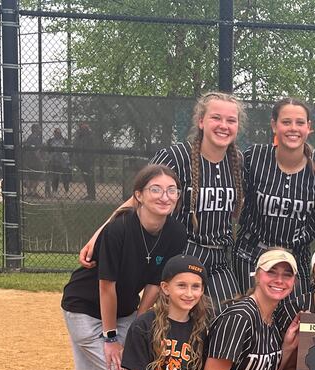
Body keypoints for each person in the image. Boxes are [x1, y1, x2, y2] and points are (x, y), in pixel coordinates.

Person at [61, 164, 187, 370]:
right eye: (155, 189)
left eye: (171, 190)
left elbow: (155, 284)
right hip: (86, 309)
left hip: (127, 311)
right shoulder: (119, 229)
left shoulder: (174, 232)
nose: (164, 196)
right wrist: (111, 337)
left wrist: (138, 325)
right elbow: (107, 287)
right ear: (138, 196)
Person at [79, 91, 246, 315]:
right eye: (216, 117)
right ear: (201, 121)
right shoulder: (175, 157)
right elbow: (136, 200)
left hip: (219, 258)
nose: (223, 125)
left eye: (231, 120)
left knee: (228, 317)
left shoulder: (238, 163)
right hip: (182, 252)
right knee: (182, 323)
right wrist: (98, 234)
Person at [234, 97, 315, 295]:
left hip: (295, 258)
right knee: (251, 312)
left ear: (309, 127)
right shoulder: (254, 156)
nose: (293, 128)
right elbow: (236, 201)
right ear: (274, 125)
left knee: (292, 319)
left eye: (299, 123)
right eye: (286, 122)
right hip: (252, 254)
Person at [46, 127, 71, 196]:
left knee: (65, 177)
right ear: (54, 133)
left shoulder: (65, 140)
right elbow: (48, 151)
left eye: (59, 133)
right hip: (54, 160)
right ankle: (54, 191)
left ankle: (67, 192)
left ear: (60, 133)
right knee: (55, 176)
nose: (57, 134)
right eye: (56, 133)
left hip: (64, 161)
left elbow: (69, 150)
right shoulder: (50, 140)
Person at [74, 122, 96, 200]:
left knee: (89, 177)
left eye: (83, 130)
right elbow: (76, 146)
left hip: (88, 160)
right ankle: (90, 194)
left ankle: (92, 194)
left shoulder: (89, 137)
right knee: (86, 177)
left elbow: (89, 149)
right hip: (82, 160)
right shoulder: (80, 138)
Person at [23, 123, 44, 197]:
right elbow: (36, 151)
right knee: (35, 175)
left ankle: (29, 192)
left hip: (28, 160)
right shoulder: (36, 138)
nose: (40, 130)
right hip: (34, 160)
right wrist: (40, 159)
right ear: (34, 129)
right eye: (38, 128)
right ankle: (33, 192)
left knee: (30, 175)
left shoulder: (30, 137)